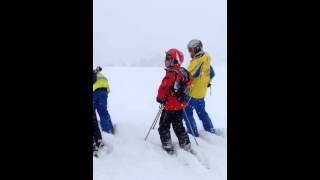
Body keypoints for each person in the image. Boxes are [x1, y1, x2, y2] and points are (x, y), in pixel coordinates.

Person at [156, 48, 192, 154]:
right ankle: (186, 144)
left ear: (174, 61)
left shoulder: (171, 74)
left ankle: (167, 146)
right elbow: (189, 82)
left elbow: (163, 90)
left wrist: (159, 99)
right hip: (179, 107)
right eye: (166, 58)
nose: (165, 60)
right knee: (178, 126)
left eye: (168, 58)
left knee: (163, 126)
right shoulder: (182, 72)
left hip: (169, 106)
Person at [183, 39, 216, 137]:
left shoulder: (199, 60)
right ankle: (210, 130)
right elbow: (212, 73)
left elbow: (191, 75)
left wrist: (182, 75)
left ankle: (193, 133)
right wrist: (206, 83)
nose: (189, 52)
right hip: (201, 94)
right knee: (202, 113)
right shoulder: (206, 60)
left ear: (197, 49)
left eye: (190, 50)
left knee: (187, 113)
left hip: (191, 94)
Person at [93, 66, 114, 134]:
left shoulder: (94, 74)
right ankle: (108, 129)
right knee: (103, 111)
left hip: (95, 92)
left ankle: (96, 132)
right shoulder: (102, 75)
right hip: (104, 93)